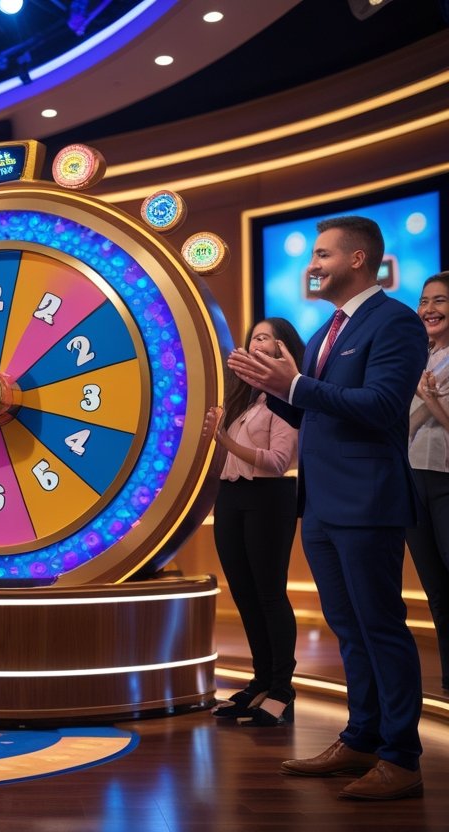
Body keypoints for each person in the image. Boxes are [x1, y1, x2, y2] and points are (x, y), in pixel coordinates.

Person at [227, 216, 426, 801]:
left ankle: (401, 756)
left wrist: (294, 388)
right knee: (348, 629)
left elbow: (383, 405)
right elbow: (310, 412)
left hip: (366, 502)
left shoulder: (396, 323)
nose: (311, 264)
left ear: (358, 259)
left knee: (381, 628)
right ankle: (361, 736)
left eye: (321, 254)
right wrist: (269, 387)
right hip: (320, 508)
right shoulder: (323, 333)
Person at [204, 319, 302, 726]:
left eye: (265, 338)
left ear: (283, 349)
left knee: (269, 594)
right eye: (253, 338)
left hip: (269, 498)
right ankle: (260, 681)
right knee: (243, 593)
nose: (256, 344)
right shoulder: (242, 397)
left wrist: (222, 439)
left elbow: (277, 463)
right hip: (232, 496)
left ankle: (282, 688)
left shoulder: (287, 398)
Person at [407, 272, 449, 692]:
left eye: (440, 301)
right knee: (435, 588)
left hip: (446, 480)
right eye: (425, 302)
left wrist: (430, 399)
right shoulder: (417, 357)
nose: (430, 310)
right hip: (413, 478)